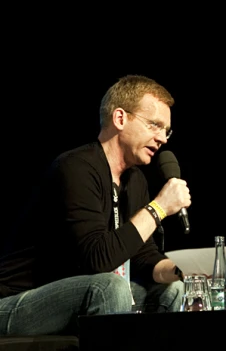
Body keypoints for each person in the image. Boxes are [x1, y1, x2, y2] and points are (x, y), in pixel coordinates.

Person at [0, 74, 192, 336]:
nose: (163, 139)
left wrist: (185, 270)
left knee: (173, 289)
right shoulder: (76, 168)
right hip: (17, 301)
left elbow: (142, 256)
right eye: (154, 125)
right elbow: (97, 258)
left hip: (82, 293)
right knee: (108, 287)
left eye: (166, 130)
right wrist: (158, 208)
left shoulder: (135, 180)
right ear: (120, 118)